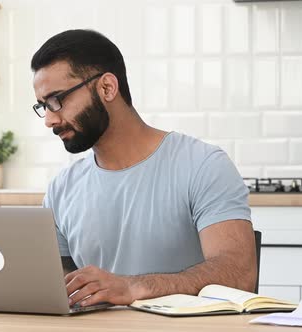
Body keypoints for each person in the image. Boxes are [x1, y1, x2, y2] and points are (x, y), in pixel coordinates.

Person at [30, 29, 256, 308]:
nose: (49, 120)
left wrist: (133, 286)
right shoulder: (62, 188)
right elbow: (59, 283)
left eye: (56, 100)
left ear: (107, 88)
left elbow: (239, 274)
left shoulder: (203, 165)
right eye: (43, 106)